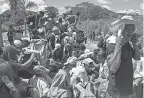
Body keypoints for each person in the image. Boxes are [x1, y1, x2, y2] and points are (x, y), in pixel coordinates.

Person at [107, 15, 140, 98]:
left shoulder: (127, 44)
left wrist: (135, 44)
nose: (131, 32)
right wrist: (118, 45)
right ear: (121, 30)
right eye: (127, 29)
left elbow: (137, 58)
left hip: (126, 88)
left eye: (132, 29)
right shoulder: (113, 44)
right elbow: (113, 68)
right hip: (116, 91)